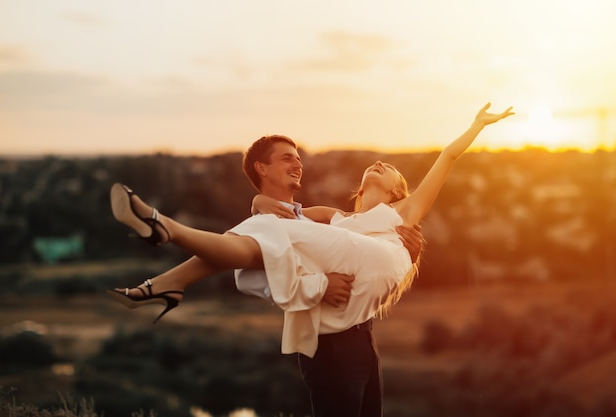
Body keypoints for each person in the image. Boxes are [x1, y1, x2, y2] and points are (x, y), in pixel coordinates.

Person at [108, 102, 513, 416]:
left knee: (269, 234)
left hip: (361, 333)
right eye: (377, 164)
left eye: (389, 169)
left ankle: (168, 276)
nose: (381, 165)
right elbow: (287, 214)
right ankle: (168, 233)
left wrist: (476, 126)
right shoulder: (335, 220)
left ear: (396, 192)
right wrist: (260, 199)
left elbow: (448, 157)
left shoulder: (403, 215)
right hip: (333, 339)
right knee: (270, 234)